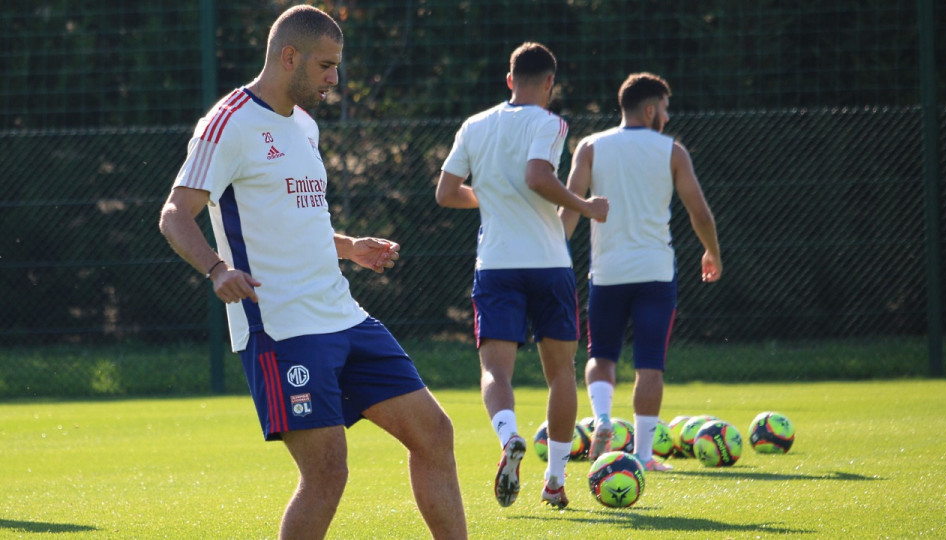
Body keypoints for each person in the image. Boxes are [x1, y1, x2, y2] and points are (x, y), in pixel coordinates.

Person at [157, 6, 467, 539]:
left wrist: (348, 248)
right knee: (327, 472)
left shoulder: (304, 125)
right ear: (289, 57)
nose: (335, 78)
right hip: (281, 328)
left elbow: (293, 219)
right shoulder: (227, 123)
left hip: (343, 316)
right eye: (326, 65)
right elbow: (174, 214)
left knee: (435, 433)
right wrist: (215, 268)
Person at [435, 42, 609, 509]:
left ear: (509, 79)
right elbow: (537, 176)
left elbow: (446, 192)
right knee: (560, 375)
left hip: (496, 265)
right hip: (548, 264)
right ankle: (554, 480)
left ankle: (509, 435)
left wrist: (490, 195)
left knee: (495, 370)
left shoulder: (475, 125)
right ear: (549, 83)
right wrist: (585, 206)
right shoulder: (550, 122)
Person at [560, 72, 722, 471]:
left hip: (607, 272)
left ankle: (601, 422)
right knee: (650, 362)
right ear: (650, 109)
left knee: (601, 354)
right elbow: (699, 213)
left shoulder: (591, 146)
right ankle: (646, 456)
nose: (666, 117)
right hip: (655, 273)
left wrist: (555, 255)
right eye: (664, 109)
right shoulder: (672, 152)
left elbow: (569, 209)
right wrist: (711, 252)